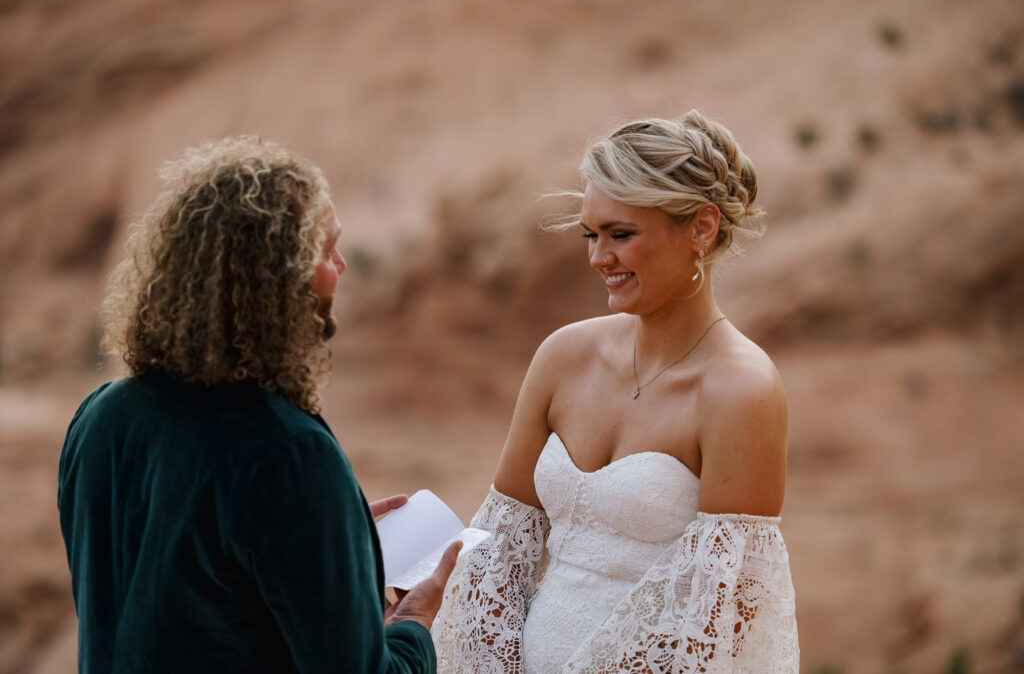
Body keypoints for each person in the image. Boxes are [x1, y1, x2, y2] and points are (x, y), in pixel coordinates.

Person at [58, 136, 459, 674]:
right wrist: (412, 624)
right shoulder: (288, 453)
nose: (340, 264)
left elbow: (184, 586)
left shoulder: (99, 416)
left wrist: (335, 537)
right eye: (325, 250)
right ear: (274, 277)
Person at [432, 111, 799, 672]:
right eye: (592, 235)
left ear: (700, 229)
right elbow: (498, 552)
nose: (598, 258)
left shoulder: (739, 389)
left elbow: (718, 619)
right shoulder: (564, 355)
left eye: (620, 235)